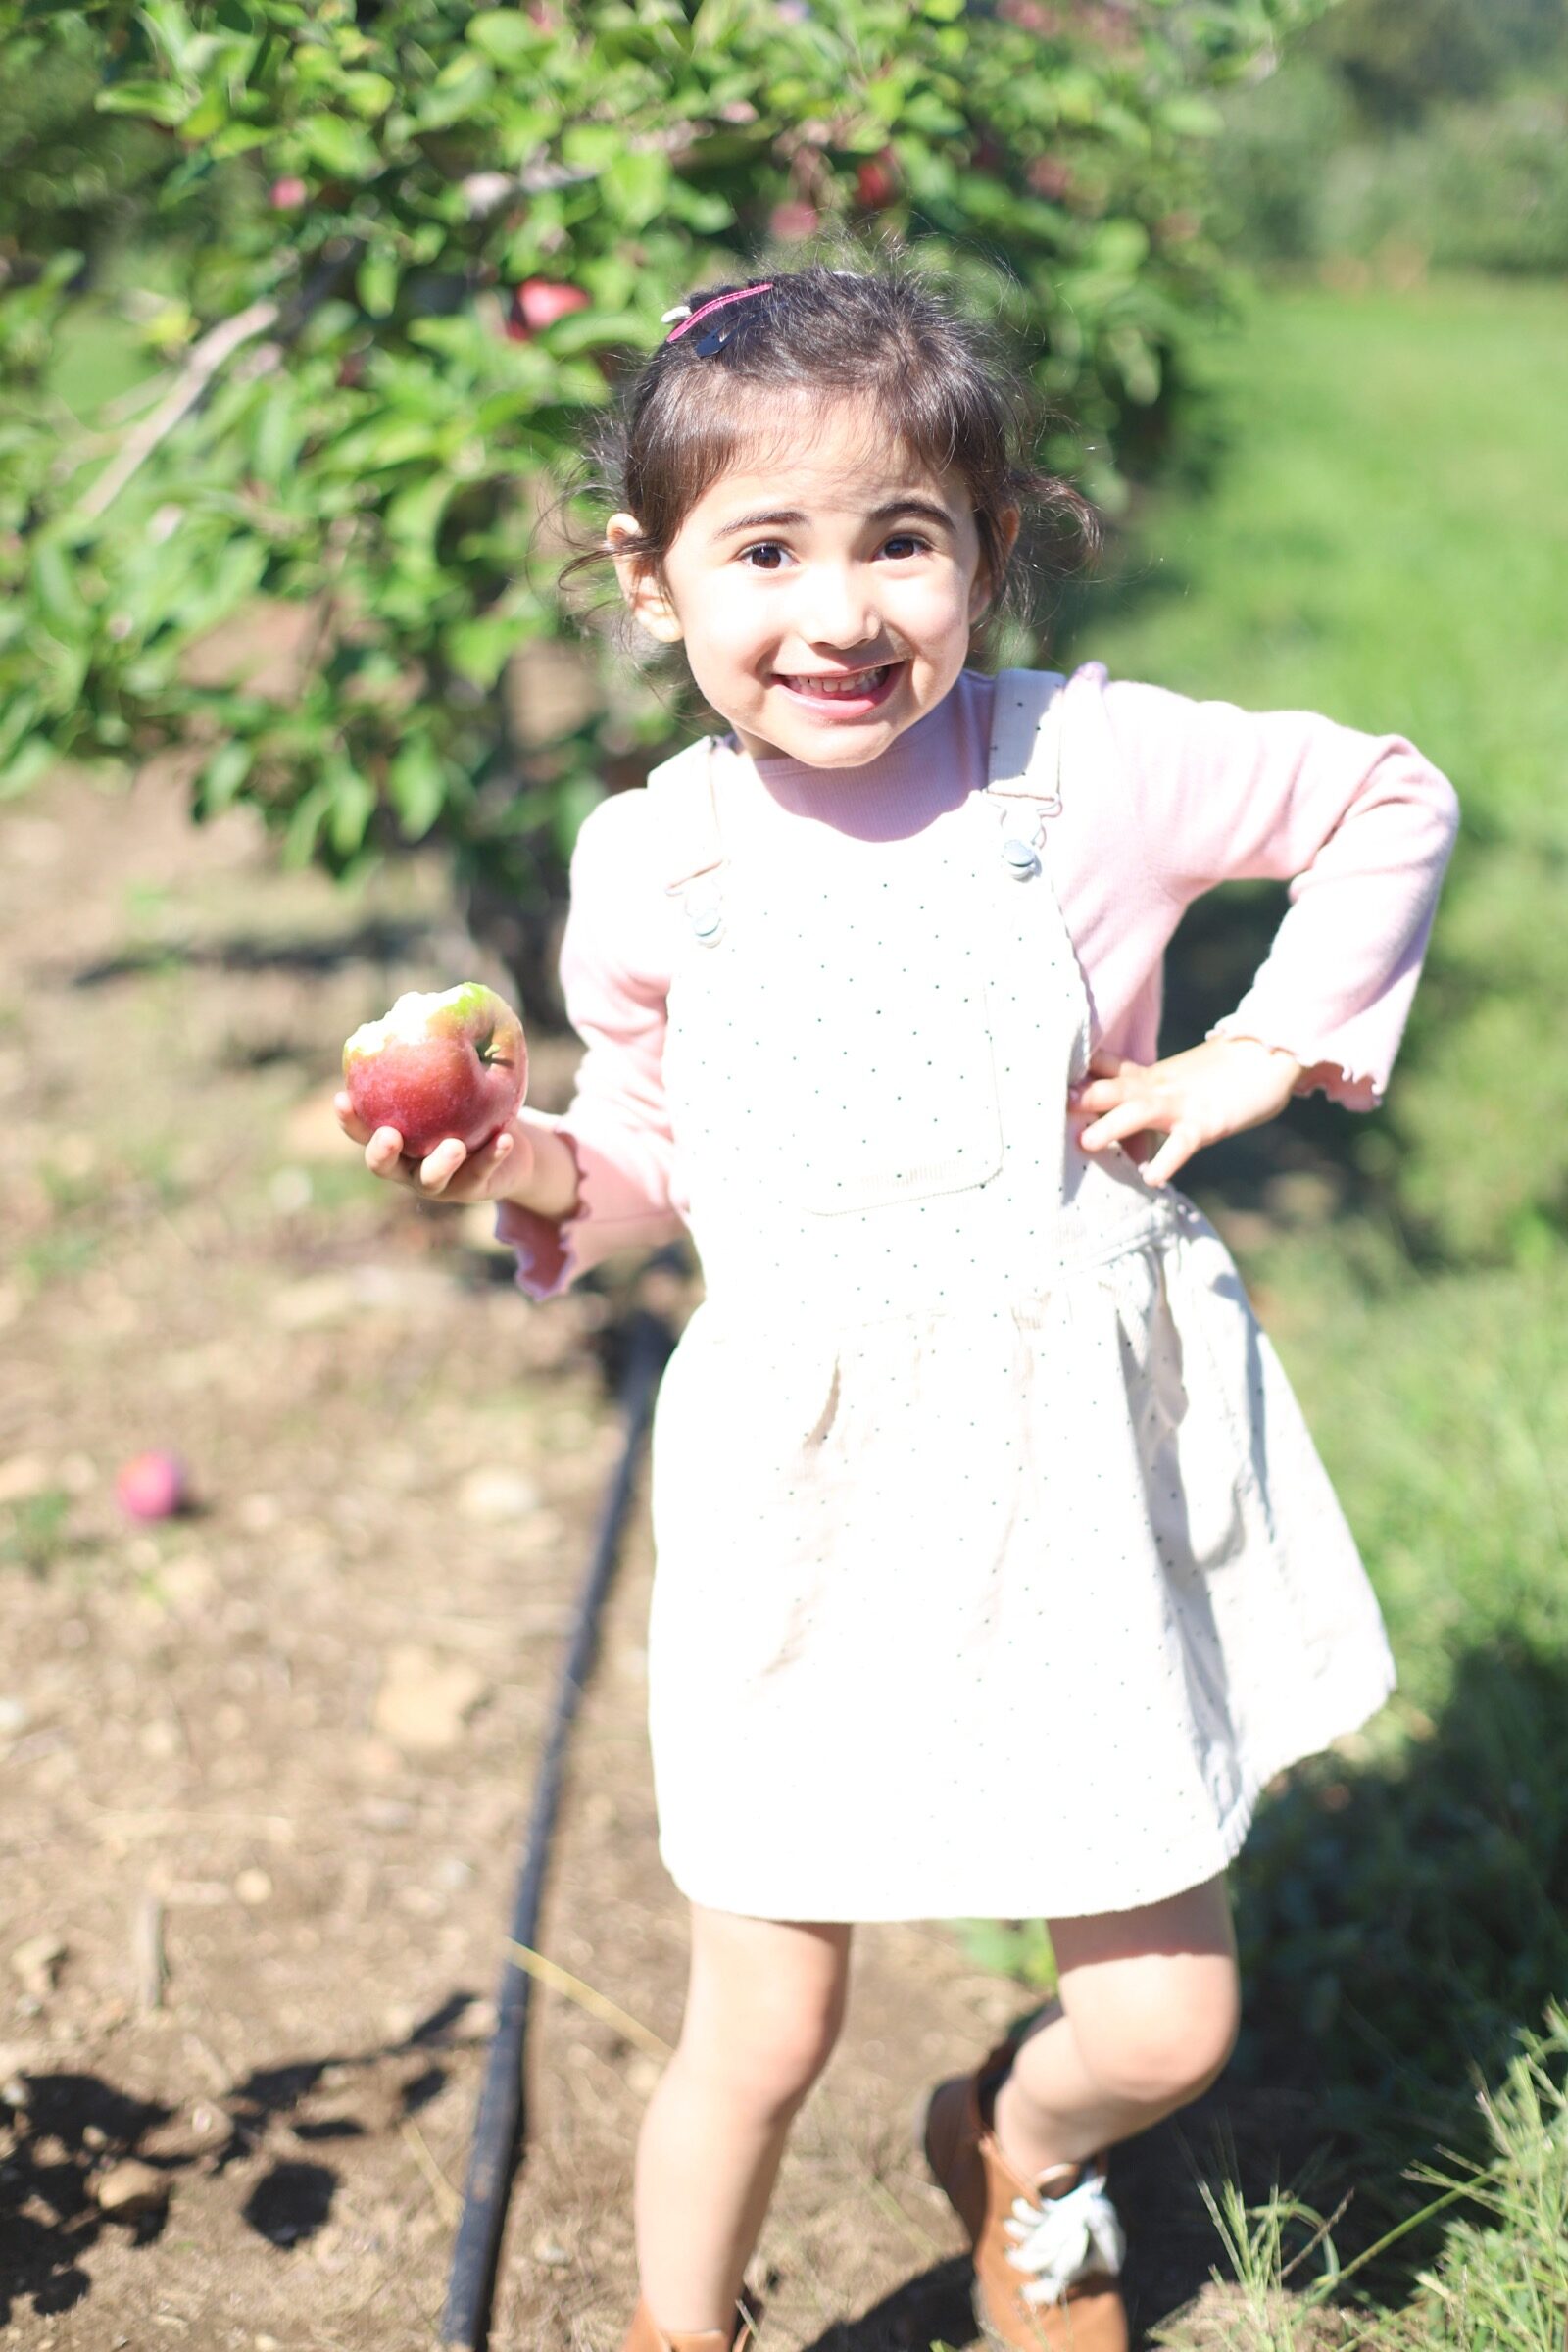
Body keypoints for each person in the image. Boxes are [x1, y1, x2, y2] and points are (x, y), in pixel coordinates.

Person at [336, 263, 1458, 2352]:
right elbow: (654, 1159)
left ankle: (1020, 2147)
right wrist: (514, 1163)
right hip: (811, 1495)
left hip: (1068, 1501)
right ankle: (683, 2332)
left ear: (988, 552)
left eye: (900, 540)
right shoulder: (650, 862)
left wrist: (1263, 1049)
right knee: (756, 2028)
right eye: (763, 548)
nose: (838, 611)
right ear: (649, 578)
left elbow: (1383, 794)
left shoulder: (1081, 776)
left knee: (1162, 2020)